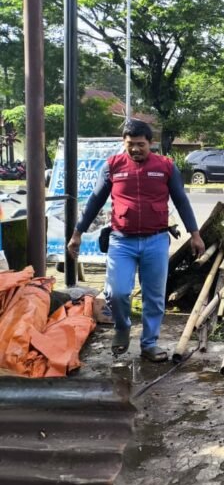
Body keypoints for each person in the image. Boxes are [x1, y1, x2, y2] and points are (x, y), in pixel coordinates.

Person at [67, 119, 205, 362]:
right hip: (121, 241)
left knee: (154, 296)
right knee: (117, 292)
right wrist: (77, 233)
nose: (135, 149)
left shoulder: (165, 166)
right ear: (124, 142)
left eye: (141, 144)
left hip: (156, 240)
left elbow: (181, 200)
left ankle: (149, 343)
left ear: (150, 143)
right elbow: (95, 201)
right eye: (130, 144)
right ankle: (122, 327)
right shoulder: (112, 166)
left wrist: (195, 234)